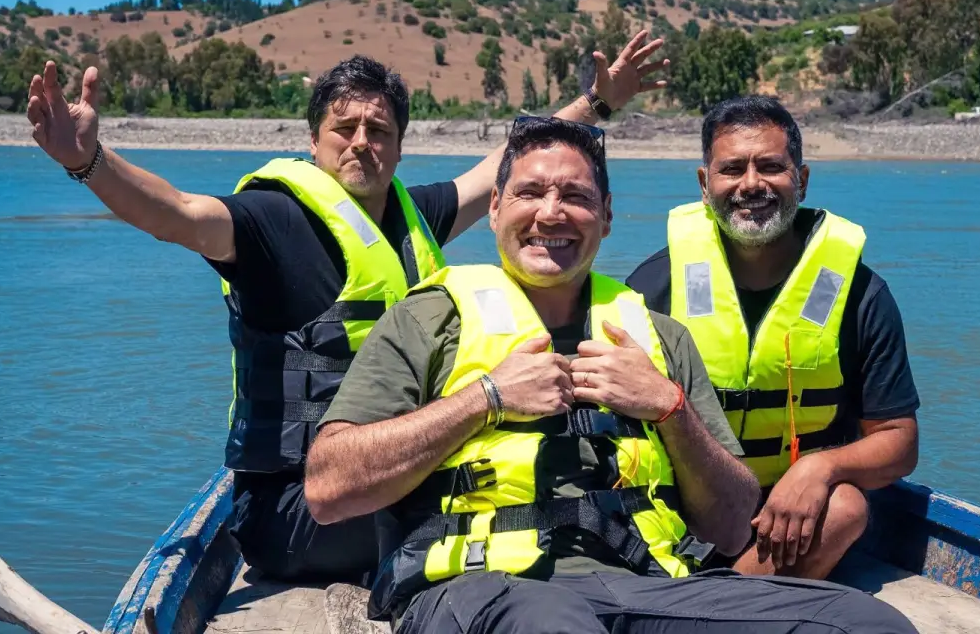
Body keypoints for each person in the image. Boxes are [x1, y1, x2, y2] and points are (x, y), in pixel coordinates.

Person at [24, 32, 668, 583]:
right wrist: (89, 162)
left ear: (399, 146)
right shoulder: (271, 221)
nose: (362, 142)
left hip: (396, 463)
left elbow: (510, 165)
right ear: (315, 140)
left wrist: (597, 103)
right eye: (345, 128)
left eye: (379, 130)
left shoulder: (414, 217)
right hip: (298, 505)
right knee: (499, 511)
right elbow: (178, 214)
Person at [304, 117, 916, 633]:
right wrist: (486, 397)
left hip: (645, 588)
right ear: (494, 208)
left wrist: (669, 408)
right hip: (482, 590)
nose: (551, 213)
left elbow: (732, 526)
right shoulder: (429, 318)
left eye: (575, 196)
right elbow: (328, 490)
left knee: (867, 624)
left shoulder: (659, 336)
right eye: (530, 192)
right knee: (555, 626)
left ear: (606, 216)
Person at [626, 96, 920, 581]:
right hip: (680, 514)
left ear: (801, 181)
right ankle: (722, 602)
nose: (751, 184)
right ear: (704, 185)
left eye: (770, 167)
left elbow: (898, 442)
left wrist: (819, 469)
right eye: (731, 169)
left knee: (846, 507)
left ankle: (719, 601)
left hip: (788, 525)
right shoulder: (653, 287)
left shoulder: (859, 294)